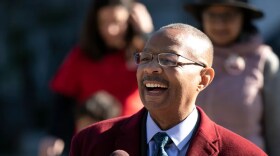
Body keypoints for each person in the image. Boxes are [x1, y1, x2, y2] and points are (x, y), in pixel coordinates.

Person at [69, 23, 267, 156]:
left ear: (203, 78)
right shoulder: (90, 143)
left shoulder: (243, 153)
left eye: (169, 59)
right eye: (145, 58)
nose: (150, 67)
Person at [39, 0, 154, 155]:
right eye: (103, 22)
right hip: (93, 143)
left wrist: (147, 34)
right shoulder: (81, 57)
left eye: (117, 22)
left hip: (135, 142)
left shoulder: (143, 55)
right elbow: (63, 100)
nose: (110, 30)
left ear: (132, 21)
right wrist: (55, 134)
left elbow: (163, 73)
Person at [184, 0, 280, 155]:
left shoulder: (264, 61)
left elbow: (276, 131)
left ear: (243, 19)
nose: (220, 24)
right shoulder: (187, 59)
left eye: (228, 16)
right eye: (212, 15)